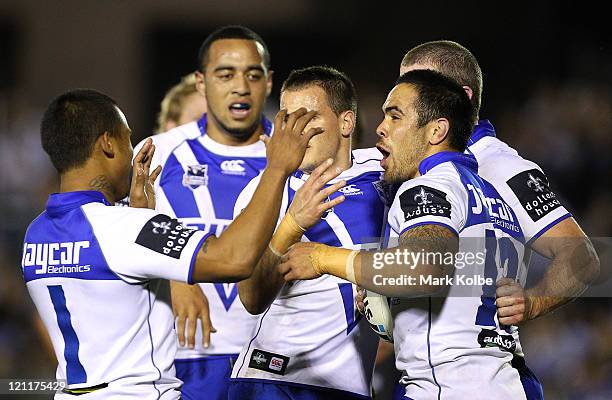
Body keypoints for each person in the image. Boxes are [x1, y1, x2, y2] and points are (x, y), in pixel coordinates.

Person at [22, 88, 323, 398]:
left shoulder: (36, 234)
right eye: (127, 139)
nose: (131, 151)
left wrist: (142, 218)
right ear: (107, 144)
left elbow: (109, 286)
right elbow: (234, 259)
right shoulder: (122, 228)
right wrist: (276, 169)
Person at [279, 69, 539, 399]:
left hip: (451, 385)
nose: (380, 128)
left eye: (395, 116)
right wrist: (383, 291)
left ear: (436, 130)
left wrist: (322, 257)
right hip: (506, 381)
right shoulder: (490, 194)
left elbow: (426, 267)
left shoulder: (427, 187)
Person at [133, 25, 276, 400]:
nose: (241, 86)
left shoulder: (297, 158)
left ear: (269, 83)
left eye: (253, 74)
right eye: (225, 74)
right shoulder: (156, 155)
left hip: (276, 362)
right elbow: (116, 237)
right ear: (201, 82)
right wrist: (175, 275)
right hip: (182, 359)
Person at [228, 66, 385, 399]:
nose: (296, 132)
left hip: (350, 386)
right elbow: (252, 297)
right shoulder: (266, 191)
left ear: (346, 123)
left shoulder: (386, 176)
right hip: (273, 381)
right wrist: (292, 225)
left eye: (308, 118)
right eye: (287, 120)